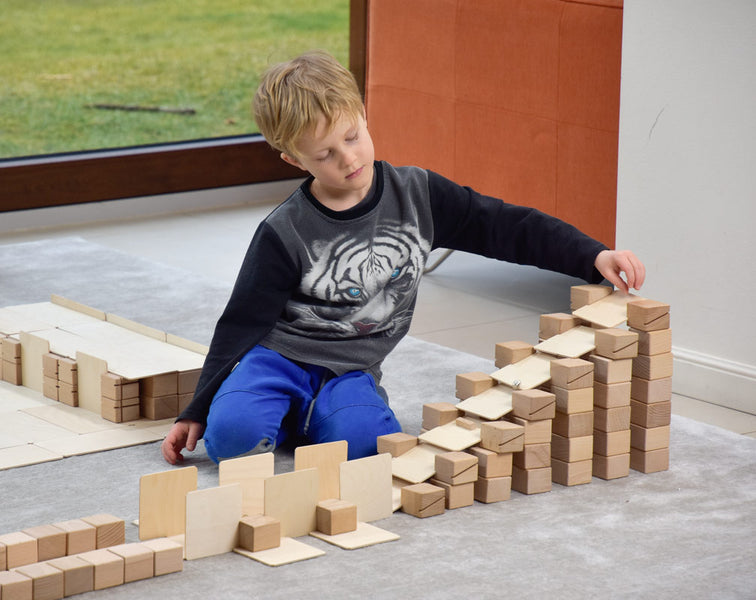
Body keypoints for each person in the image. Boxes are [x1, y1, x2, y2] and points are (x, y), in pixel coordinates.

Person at [161, 50, 645, 465]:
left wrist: (592, 254)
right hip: (277, 359)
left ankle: (310, 415)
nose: (348, 159)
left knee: (364, 447)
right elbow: (240, 322)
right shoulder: (284, 231)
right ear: (294, 160)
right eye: (325, 154)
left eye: (352, 137)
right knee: (231, 441)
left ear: (364, 115)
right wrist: (196, 410)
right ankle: (275, 410)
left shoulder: (419, 196)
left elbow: (505, 226)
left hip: (350, 369)